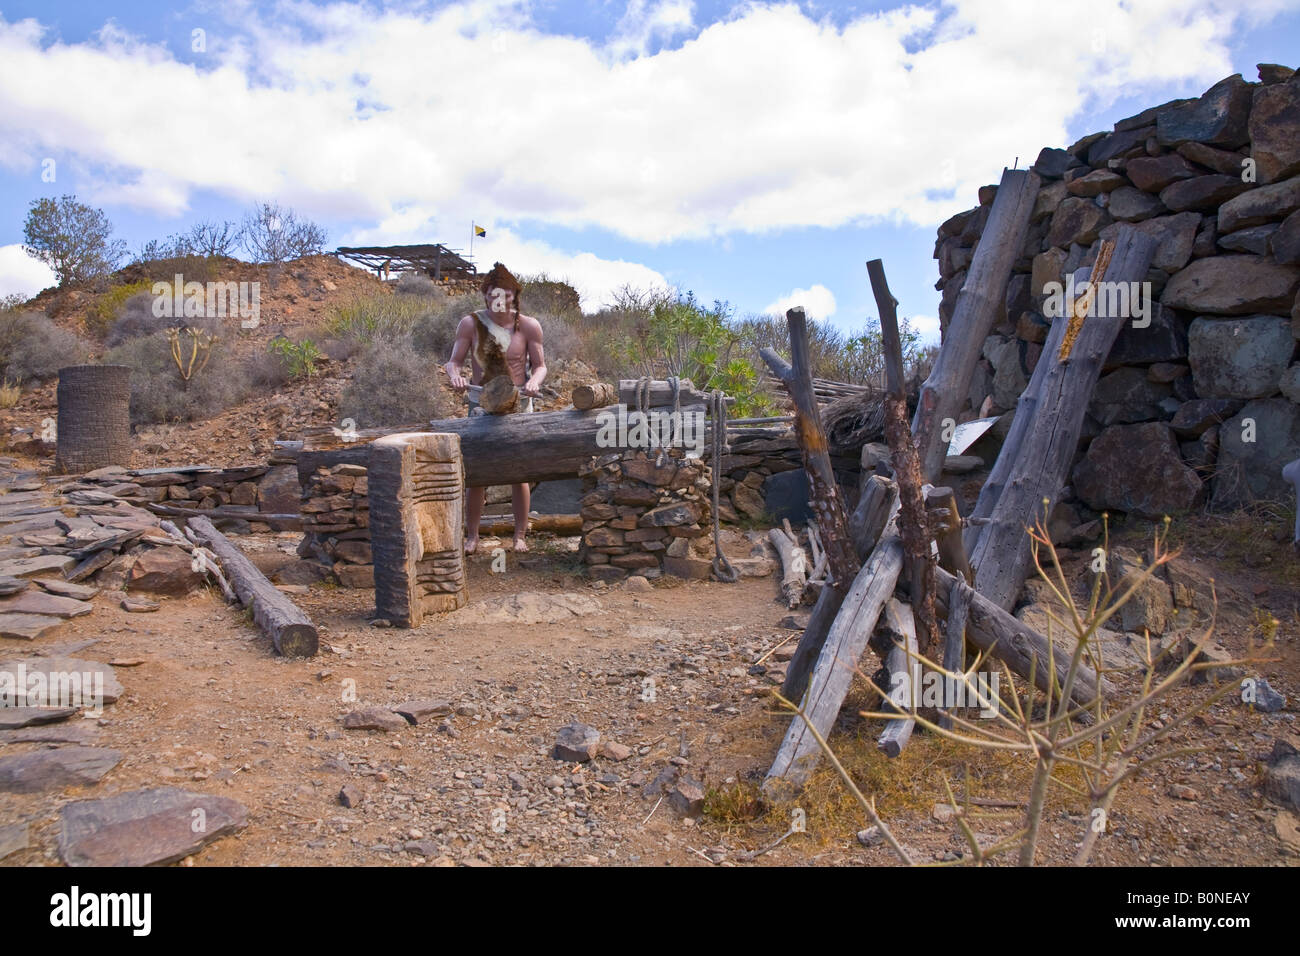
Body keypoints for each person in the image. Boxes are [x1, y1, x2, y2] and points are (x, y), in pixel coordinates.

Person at [444, 262, 547, 553]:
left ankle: (519, 537)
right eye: (493, 296)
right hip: (481, 403)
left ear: (515, 296)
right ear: (486, 296)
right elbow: (453, 361)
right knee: (478, 473)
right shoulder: (470, 324)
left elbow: (540, 366)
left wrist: (534, 383)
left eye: (507, 296)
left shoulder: (528, 326)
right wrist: (456, 376)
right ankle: (472, 536)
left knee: (520, 473)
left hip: (517, 403)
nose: (500, 301)